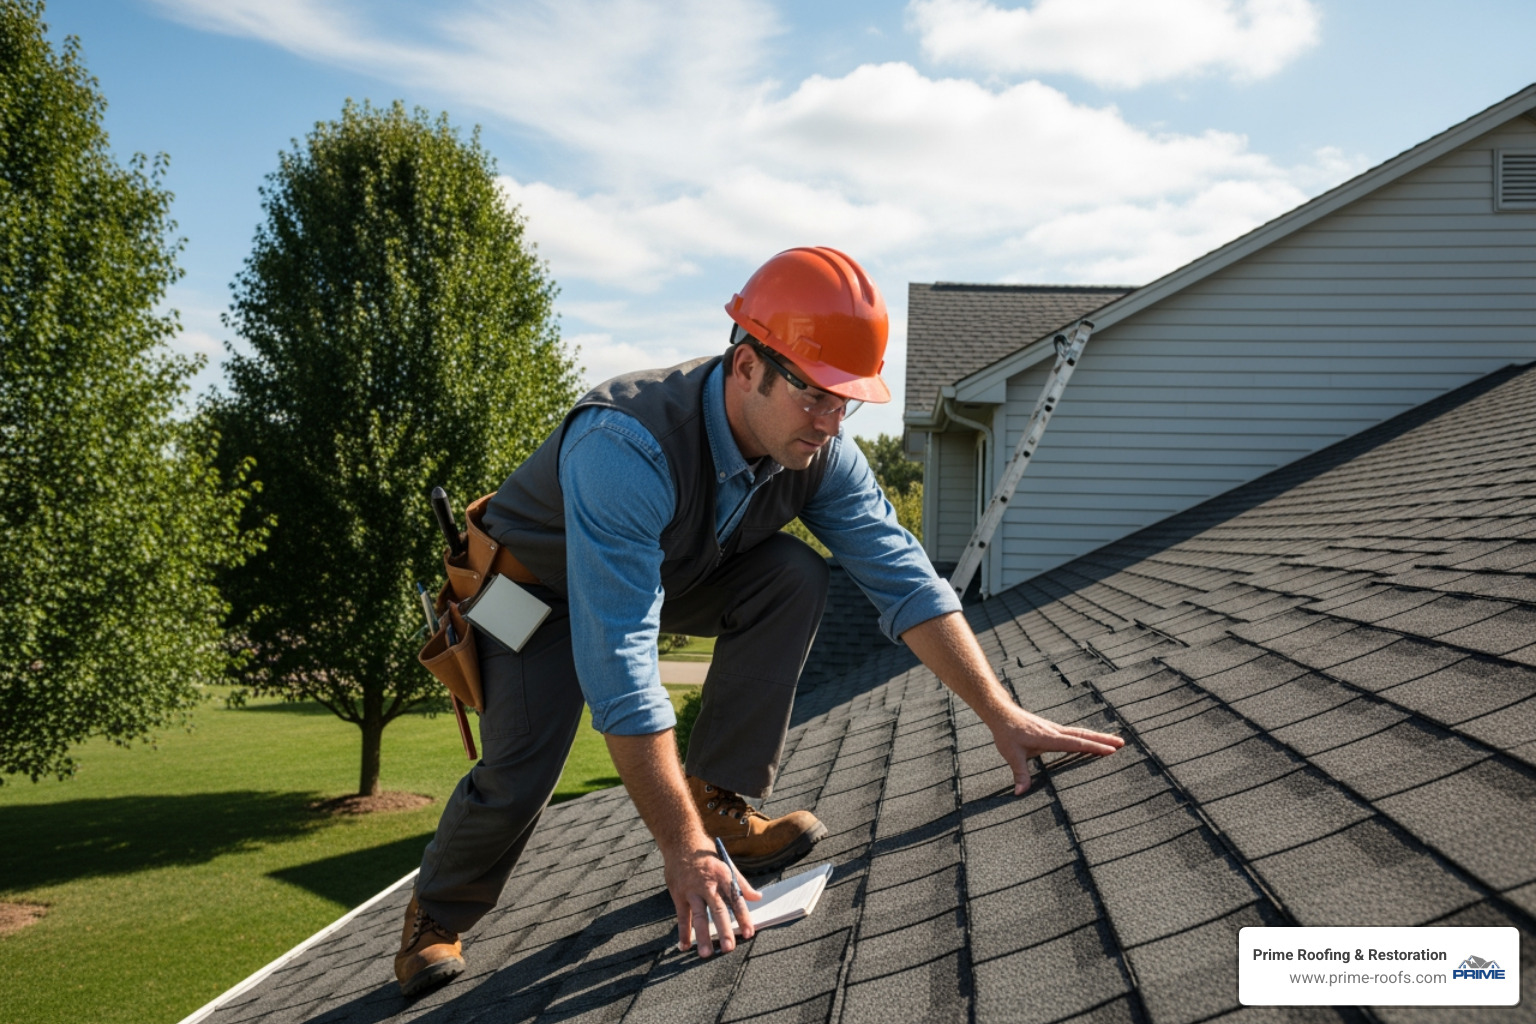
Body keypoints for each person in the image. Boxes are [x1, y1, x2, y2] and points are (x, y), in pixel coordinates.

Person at [394, 247, 1124, 996]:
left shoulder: (821, 452)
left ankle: (720, 802)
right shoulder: (623, 445)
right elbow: (620, 657)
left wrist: (1000, 713)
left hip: (667, 565)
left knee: (793, 574)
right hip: (531, 593)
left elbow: (903, 577)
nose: (831, 424)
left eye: (847, 403)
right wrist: (680, 852)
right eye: (815, 398)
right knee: (523, 766)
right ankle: (437, 912)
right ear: (748, 367)